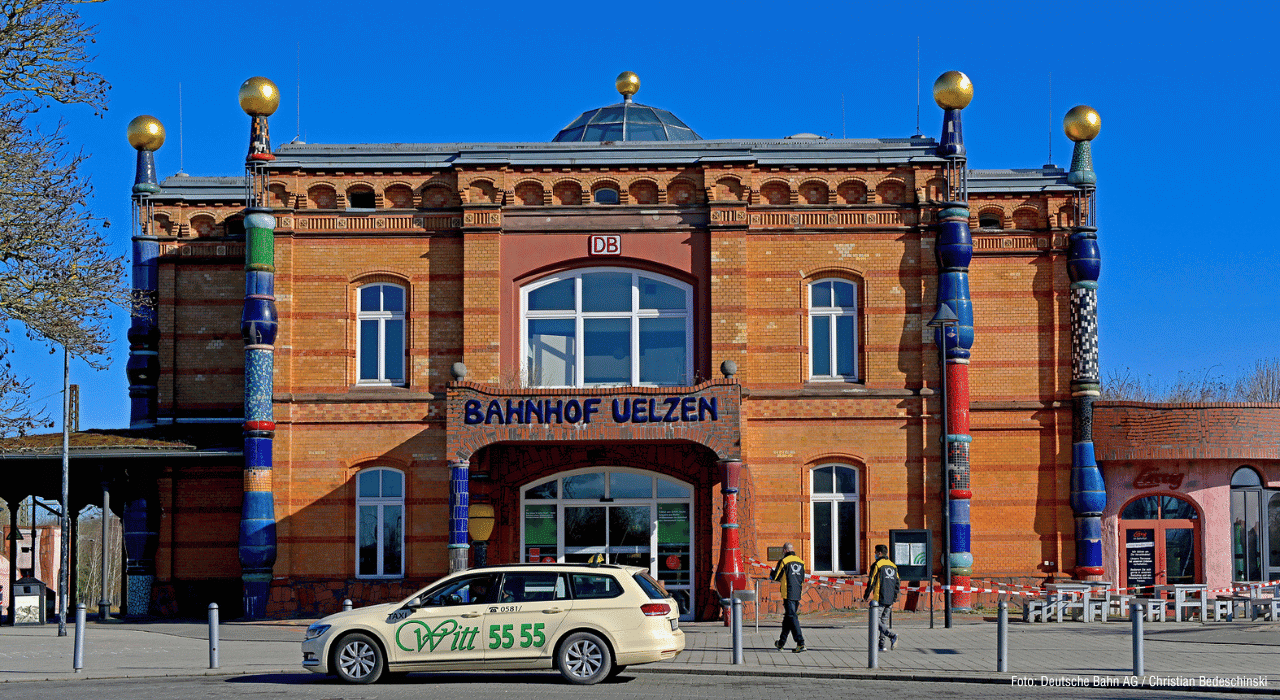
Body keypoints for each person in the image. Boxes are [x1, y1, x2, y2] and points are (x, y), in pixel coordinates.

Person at [770, 542, 806, 653]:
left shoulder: (784, 561)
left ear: (785, 550)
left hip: (788, 593)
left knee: (792, 617)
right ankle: (781, 643)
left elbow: (776, 577)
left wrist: (772, 573)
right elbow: (803, 578)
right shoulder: (801, 562)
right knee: (788, 619)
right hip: (797, 593)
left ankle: (800, 642)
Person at [863, 544, 900, 651]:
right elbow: (897, 582)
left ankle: (892, 635)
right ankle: (881, 645)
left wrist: (866, 594)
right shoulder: (893, 566)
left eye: (875, 552)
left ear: (879, 553)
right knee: (883, 622)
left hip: (879, 597)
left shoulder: (877, 565)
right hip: (890, 598)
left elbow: (872, 581)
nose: (874, 554)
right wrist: (894, 597)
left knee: (875, 620)